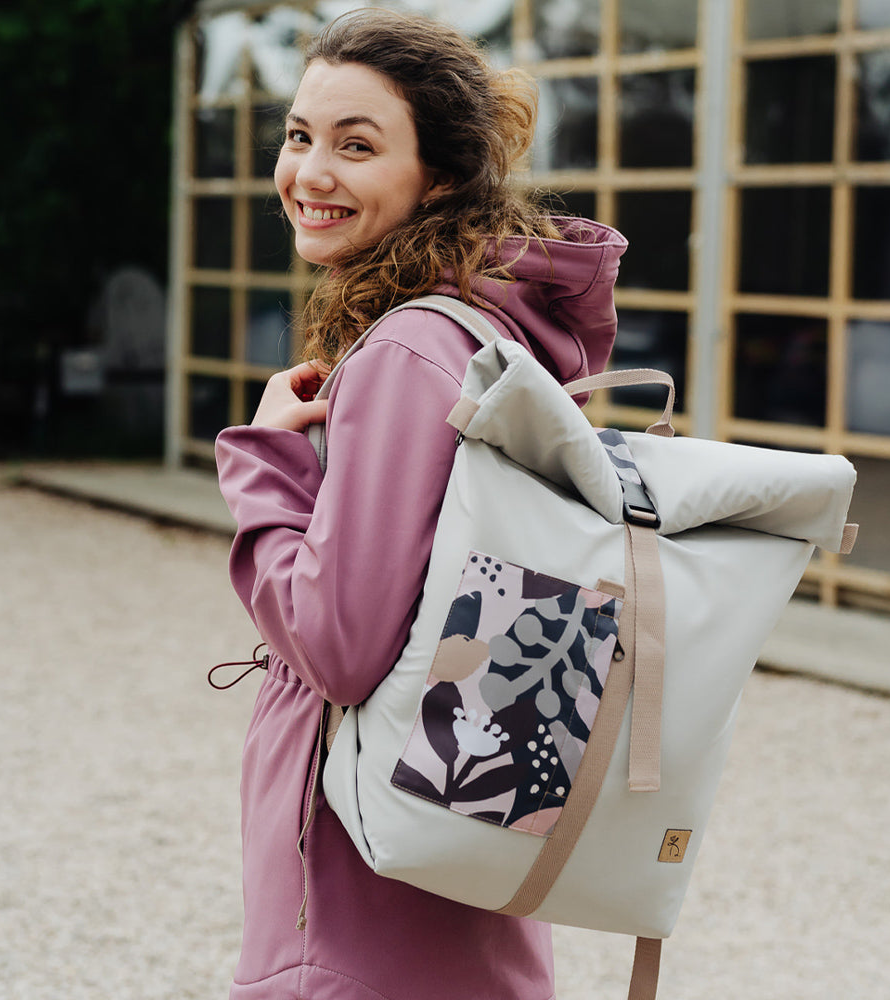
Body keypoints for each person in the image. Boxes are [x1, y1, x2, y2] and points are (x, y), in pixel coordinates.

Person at [214, 8, 627, 999]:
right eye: (299, 135)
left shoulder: (408, 349)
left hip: (367, 912)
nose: (309, 173)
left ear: (438, 176)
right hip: (455, 853)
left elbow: (341, 640)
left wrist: (265, 463)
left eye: (356, 146)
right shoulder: (497, 331)